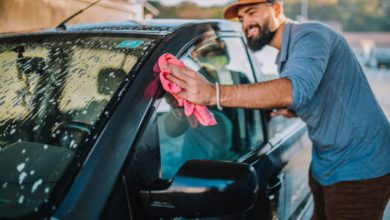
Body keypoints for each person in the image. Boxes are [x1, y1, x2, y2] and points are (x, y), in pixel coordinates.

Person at [165, 0, 390, 219]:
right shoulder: (288, 55)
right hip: (325, 163)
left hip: (360, 165)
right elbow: (314, 93)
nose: (245, 24)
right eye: (242, 18)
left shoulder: (311, 35)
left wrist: (212, 93)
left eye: (252, 12)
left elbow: (292, 91)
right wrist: (294, 110)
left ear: (277, 9)